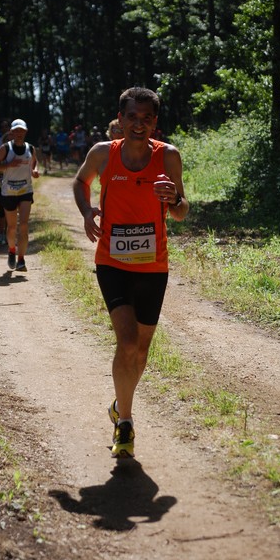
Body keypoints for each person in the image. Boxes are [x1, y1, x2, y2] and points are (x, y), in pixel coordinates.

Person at [73, 87, 189, 458]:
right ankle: (125, 423)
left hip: (154, 266)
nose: (139, 124)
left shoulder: (168, 156)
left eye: (147, 118)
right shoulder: (103, 154)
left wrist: (173, 199)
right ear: (120, 119)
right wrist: (88, 211)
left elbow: (182, 211)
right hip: (112, 262)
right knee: (125, 342)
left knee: (140, 351)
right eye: (132, 117)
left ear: (155, 122)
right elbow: (80, 182)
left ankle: (120, 404)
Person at [0, 119, 39, 272]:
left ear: (26, 132)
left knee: (23, 225)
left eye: (21, 131)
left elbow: (34, 163)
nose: (19, 133)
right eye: (16, 131)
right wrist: (8, 165)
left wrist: (34, 170)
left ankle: (21, 259)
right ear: (11, 132)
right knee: (12, 227)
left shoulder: (30, 149)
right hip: (9, 192)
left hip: (25, 190)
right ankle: (12, 250)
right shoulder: (5, 149)